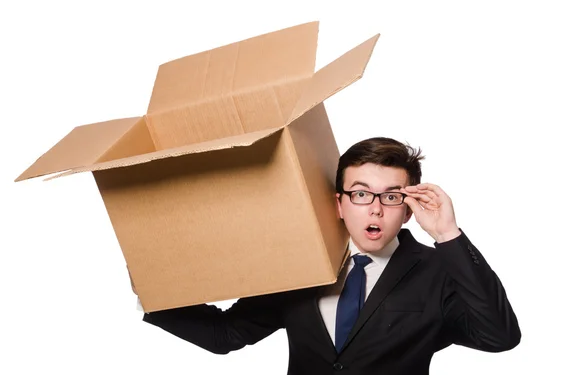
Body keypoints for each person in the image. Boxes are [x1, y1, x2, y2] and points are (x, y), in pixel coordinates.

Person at [136, 137, 520, 374]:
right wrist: (155, 293)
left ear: (407, 208)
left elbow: (500, 336)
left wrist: (447, 234)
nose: (375, 209)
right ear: (340, 204)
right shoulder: (300, 263)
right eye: (360, 193)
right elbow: (226, 334)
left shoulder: (439, 270)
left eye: (391, 196)